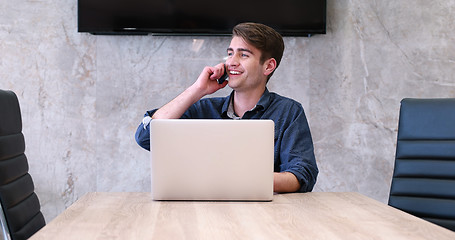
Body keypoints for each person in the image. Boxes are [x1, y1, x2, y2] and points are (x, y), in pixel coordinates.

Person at [135, 22, 318, 193]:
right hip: (201, 211)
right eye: (230, 53)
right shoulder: (203, 110)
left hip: (262, 216)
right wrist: (197, 90)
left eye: (243, 55)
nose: (231, 62)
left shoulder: (288, 112)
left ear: (268, 66)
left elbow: (303, 175)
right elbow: (146, 137)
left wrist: (246, 180)